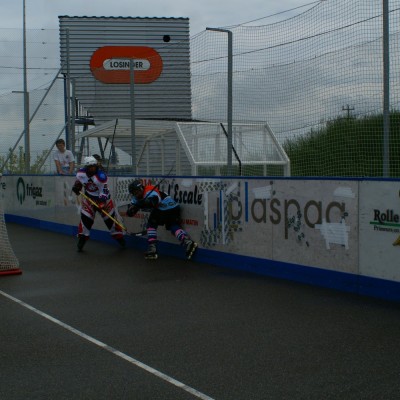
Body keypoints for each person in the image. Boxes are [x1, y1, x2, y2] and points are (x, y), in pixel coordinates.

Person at [126, 179, 197, 260]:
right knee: (173, 226)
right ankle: (187, 241)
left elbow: (154, 201)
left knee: (151, 225)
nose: (136, 194)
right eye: (134, 193)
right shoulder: (136, 198)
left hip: (165, 207)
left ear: (141, 188)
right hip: (173, 207)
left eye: (137, 191)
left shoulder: (149, 190)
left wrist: (141, 203)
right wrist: (132, 210)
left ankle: (152, 248)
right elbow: (130, 212)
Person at [71, 156, 125, 252]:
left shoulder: (101, 176)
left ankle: (121, 241)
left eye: (94, 166)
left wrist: (102, 203)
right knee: (85, 220)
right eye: (90, 167)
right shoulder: (80, 173)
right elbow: (79, 182)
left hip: (104, 199)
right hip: (89, 199)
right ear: (86, 167)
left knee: (111, 222)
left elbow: (105, 191)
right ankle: (82, 240)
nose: (93, 168)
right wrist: (77, 187)